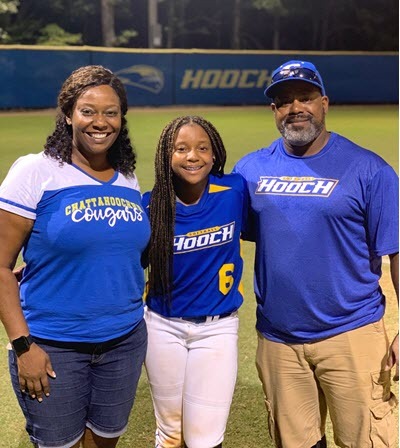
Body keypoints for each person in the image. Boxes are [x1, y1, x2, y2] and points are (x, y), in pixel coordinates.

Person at [233, 60, 399, 448]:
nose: (296, 108)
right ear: (274, 111)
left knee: (368, 442)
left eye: (305, 97)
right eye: (284, 101)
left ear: (324, 103)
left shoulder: (369, 170)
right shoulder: (250, 170)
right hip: (278, 339)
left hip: (352, 333)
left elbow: (395, 254)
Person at [0, 65, 150, 448]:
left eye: (111, 112)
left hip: (124, 341)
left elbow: (122, 252)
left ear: (122, 118)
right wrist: (23, 347)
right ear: (68, 114)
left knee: (104, 440)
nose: (100, 122)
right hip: (52, 345)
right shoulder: (36, 172)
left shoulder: (128, 177)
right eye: (88, 110)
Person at [142, 115, 247, 448]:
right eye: (182, 148)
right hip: (162, 326)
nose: (193, 156)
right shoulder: (151, 204)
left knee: (205, 438)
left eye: (202, 148)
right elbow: (117, 256)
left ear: (214, 154)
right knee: (171, 433)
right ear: (166, 156)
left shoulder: (234, 191)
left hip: (217, 329)